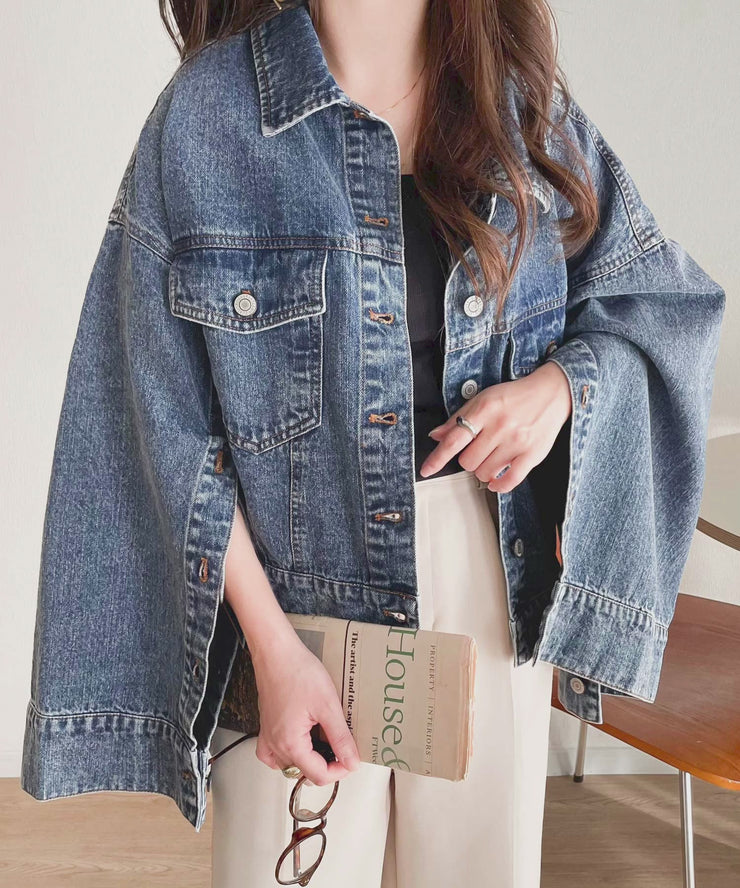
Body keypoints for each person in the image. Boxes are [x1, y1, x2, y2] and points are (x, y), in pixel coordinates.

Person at [20, 1, 725, 887]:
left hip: (484, 586)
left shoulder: (518, 104)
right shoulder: (209, 117)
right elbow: (158, 417)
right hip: (292, 609)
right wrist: (275, 652)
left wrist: (558, 392)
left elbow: (661, 306)